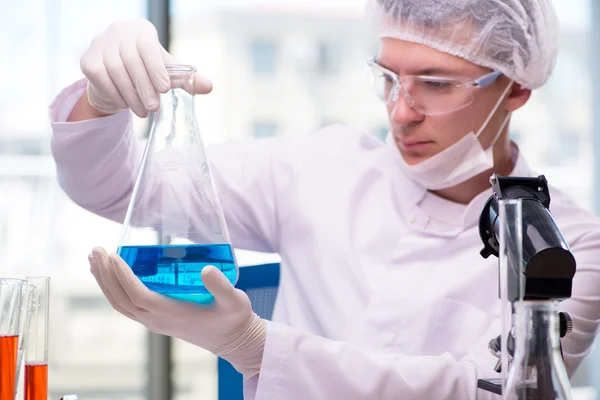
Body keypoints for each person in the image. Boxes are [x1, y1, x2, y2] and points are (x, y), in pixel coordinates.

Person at [49, 0, 600, 399]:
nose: (401, 111)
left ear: (517, 88)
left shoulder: (570, 244)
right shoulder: (319, 168)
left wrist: (255, 345)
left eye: (435, 83)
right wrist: (100, 104)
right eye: (388, 78)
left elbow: (496, 393)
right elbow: (115, 186)